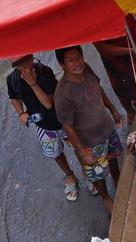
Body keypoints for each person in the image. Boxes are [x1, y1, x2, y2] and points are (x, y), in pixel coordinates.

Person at [7, 54, 90, 202]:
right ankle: (69, 175)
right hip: (43, 125)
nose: (24, 66)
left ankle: (86, 172)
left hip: (62, 121)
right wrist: (21, 112)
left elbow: (49, 104)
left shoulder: (44, 71)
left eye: (26, 61)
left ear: (32, 58)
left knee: (77, 146)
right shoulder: (12, 79)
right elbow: (14, 98)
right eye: (19, 64)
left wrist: (33, 83)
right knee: (55, 153)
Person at [53, 46, 125, 214]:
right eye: (70, 60)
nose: (77, 63)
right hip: (89, 141)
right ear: (62, 65)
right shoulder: (63, 93)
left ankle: (118, 181)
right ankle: (106, 198)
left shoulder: (87, 69)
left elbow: (98, 89)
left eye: (78, 57)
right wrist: (81, 150)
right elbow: (67, 125)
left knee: (113, 159)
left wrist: (112, 109)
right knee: (96, 172)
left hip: (106, 128)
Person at [95, 15, 136, 120]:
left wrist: (135, 51)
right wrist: (132, 51)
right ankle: (129, 111)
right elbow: (102, 47)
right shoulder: (95, 21)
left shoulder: (124, 13)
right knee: (121, 88)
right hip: (116, 62)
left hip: (131, 48)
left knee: (135, 77)